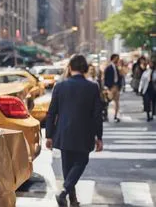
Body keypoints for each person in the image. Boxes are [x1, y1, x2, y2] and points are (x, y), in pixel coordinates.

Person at [46, 55, 103, 207]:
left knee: (67, 166)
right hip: (85, 133)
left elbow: (52, 112)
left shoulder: (60, 86)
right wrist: (99, 136)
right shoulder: (92, 87)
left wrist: (49, 135)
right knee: (81, 161)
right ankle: (65, 193)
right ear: (85, 68)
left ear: (70, 68)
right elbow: (97, 114)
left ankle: (72, 200)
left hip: (63, 132)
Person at [104, 54, 122, 122]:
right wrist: (107, 87)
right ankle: (105, 114)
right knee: (107, 101)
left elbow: (120, 77)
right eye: (117, 58)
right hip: (110, 87)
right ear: (113, 58)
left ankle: (116, 116)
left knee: (117, 102)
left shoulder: (117, 67)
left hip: (116, 86)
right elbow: (106, 77)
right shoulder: (108, 67)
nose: (118, 60)